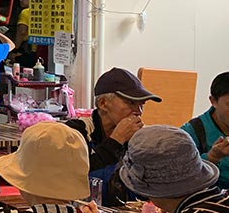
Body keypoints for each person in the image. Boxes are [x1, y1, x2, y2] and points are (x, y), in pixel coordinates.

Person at [66, 67, 161, 205]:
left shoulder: (140, 138)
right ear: (103, 103)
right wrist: (116, 140)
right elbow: (73, 173)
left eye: (142, 105)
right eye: (131, 102)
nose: (138, 111)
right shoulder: (76, 131)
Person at [181, 71, 229, 189]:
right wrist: (212, 157)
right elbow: (178, 180)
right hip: (206, 203)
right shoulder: (191, 133)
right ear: (213, 101)